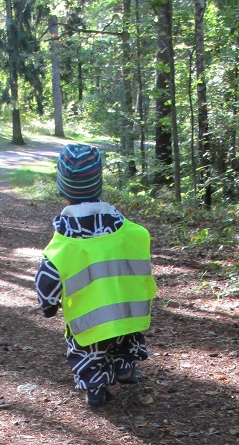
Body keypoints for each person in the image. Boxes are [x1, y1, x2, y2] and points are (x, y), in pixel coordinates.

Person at [34, 143, 156, 407]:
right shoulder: (131, 232)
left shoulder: (64, 244)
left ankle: (96, 389)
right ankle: (124, 367)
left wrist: (48, 305)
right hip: (126, 313)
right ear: (99, 184)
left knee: (88, 352)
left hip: (88, 320)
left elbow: (47, 278)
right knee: (125, 339)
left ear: (62, 188)